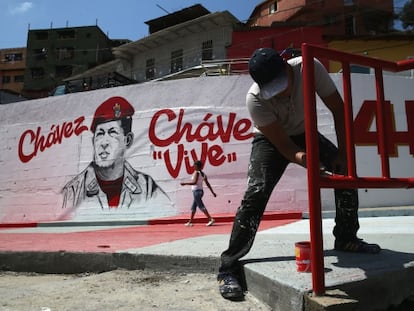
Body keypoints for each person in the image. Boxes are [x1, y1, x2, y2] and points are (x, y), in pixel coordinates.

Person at [217, 48, 381, 300]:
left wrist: (343, 154)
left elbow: (338, 108)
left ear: (286, 66)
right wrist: (308, 161)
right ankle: (228, 267)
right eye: (273, 89)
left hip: (306, 132)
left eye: (282, 83)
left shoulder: (309, 67)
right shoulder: (256, 99)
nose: (281, 92)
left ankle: (347, 238)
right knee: (256, 192)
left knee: (344, 171)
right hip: (271, 139)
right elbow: (285, 147)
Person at [62, 96, 172, 218]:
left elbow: (168, 212)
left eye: (112, 132)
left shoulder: (147, 188)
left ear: (128, 140)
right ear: (93, 140)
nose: (104, 142)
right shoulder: (74, 190)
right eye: (100, 133)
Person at [180, 160, 217, 227]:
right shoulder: (203, 174)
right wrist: (212, 192)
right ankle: (190, 221)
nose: (193, 166)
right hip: (200, 191)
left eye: (194, 165)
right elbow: (207, 184)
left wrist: (185, 183)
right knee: (193, 207)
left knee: (201, 206)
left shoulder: (197, 173)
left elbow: (194, 182)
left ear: (197, 166)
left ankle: (210, 219)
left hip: (196, 192)